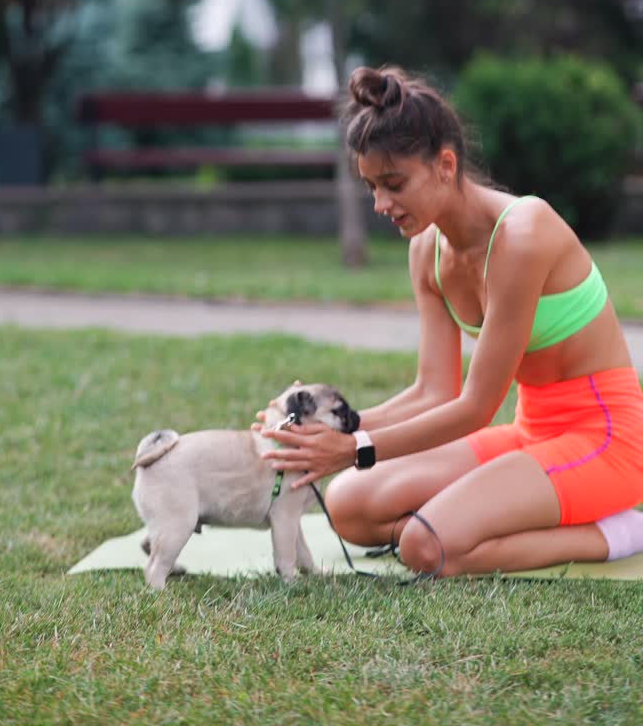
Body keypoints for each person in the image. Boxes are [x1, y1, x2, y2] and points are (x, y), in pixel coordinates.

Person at [260, 64, 643, 576]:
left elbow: (476, 406)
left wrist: (355, 447)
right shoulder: (427, 249)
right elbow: (434, 390)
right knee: (349, 504)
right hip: (531, 433)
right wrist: (318, 433)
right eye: (372, 186)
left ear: (445, 164)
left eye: (394, 184)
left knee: (426, 547)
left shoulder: (523, 234)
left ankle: (617, 530)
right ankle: (460, 524)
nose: (380, 204)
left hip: (606, 442)